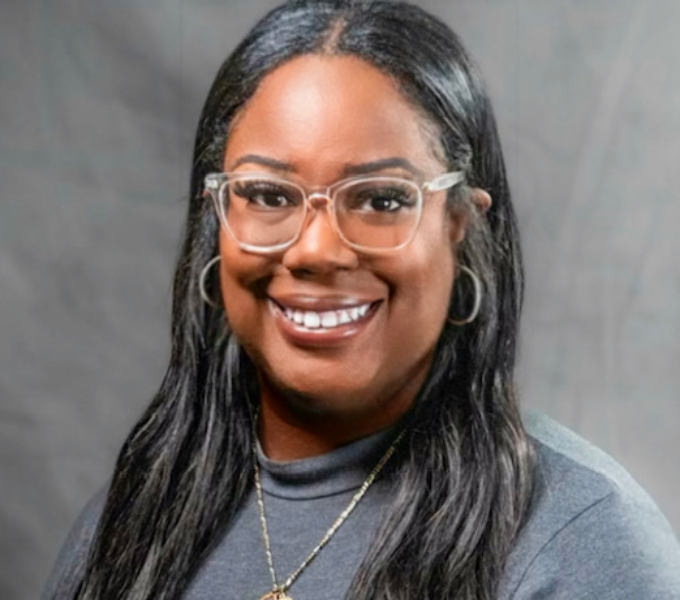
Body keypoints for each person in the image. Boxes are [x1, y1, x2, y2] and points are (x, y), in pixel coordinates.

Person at [42, 1, 680, 599]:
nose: (316, 250)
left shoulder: (582, 542)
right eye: (267, 195)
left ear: (462, 226)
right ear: (215, 219)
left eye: (381, 199)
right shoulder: (130, 525)